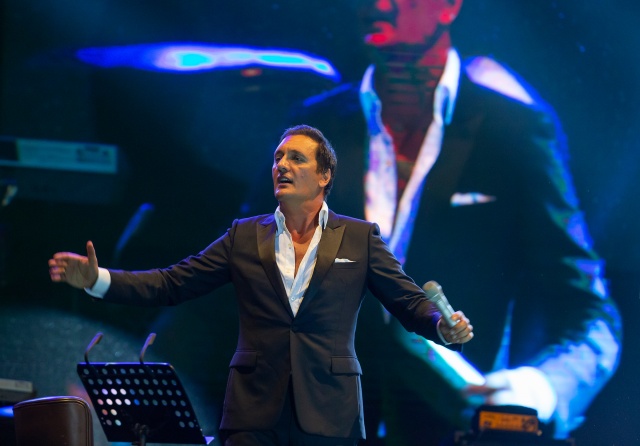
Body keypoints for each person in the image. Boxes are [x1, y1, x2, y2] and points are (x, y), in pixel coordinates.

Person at [287, 0, 622, 443]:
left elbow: (590, 313)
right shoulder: (314, 127)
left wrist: (542, 388)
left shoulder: (514, 132)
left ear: (448, 6)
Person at [48, 125, 474, 446]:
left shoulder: (359, 238)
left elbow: (408, 300)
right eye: (278, 157)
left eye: (296, 158)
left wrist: (441, 325)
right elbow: (172, 283)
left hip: (330, 410)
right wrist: (98, 280)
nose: (282, 165)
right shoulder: (245, 235)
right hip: (253, 412)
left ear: (325, 175)